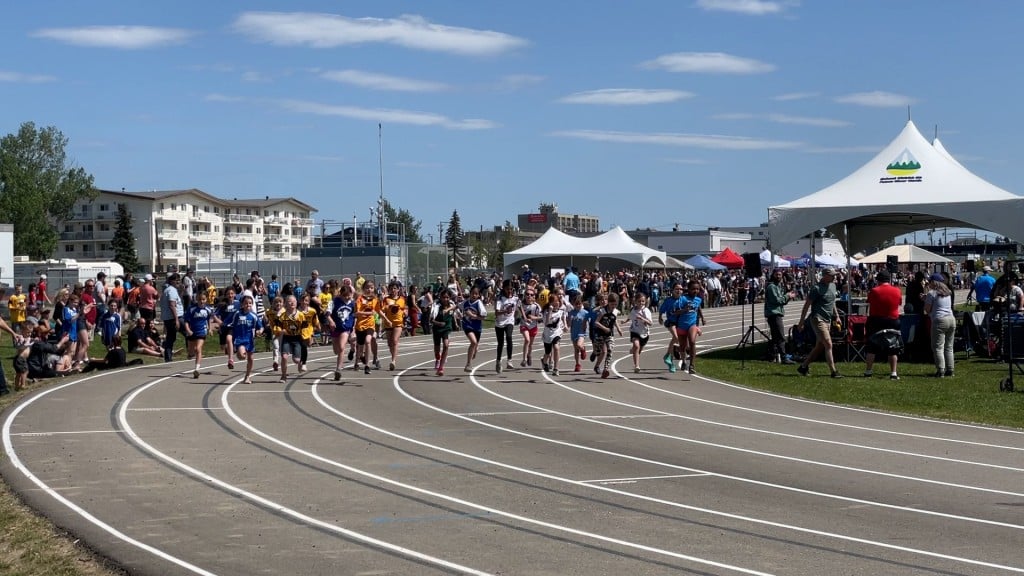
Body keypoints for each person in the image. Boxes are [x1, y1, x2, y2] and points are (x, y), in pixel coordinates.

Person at [796, 268, 842, 378]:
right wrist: (801, 322)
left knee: (820, 346)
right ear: (825, 275)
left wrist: (837, 316)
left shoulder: (833, 286)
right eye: (832, 275)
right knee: (828, 343)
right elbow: (806, 306)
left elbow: (832, 302)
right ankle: (833, 371)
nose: (834, 277)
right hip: (818, 319)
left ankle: (803, 367)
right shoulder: (816, 289)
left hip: (828, 320)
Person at [863, 269, 902, 380]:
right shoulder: (897, 290)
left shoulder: (874, 291)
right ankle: (893, 372)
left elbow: (869, 302)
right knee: (893, 347)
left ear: (878, 280)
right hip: (893, 320)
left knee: (871, 347)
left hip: (876, 320)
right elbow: (899, 303)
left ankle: (868, 371)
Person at [923, 273, 955, 378]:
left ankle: (940, 369)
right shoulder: (948, 293)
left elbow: (927, 310)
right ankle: (950, 369)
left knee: (937, 347)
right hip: (951, 319)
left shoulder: (931, 293)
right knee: (949, 347)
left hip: (939, 320)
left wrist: (925, 299)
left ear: (933, 282)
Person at [225, 295, 263, 384]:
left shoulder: (253, 316)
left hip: (250, 340)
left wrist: (259, 331)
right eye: (246, 303)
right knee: (242, 356)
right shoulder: (237, 314)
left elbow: (260, 326)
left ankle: (247, 376)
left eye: (250, 303)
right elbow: (231, 323)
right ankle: (237, 354)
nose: (248, 305)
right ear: (242, 304)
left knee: (251, 358)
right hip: (240, 339)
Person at [764, 270, 797, 364]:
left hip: (777, 313)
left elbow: (783, 302)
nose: (779, 276)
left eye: (780, 275)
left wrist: (789, 295)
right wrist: (787, 295)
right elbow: (777, 300)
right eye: (777, 274)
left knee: (775, 337)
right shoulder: (771, 287)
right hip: (774, 314)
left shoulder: (778, 287)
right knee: (781, 337)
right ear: (773, 275)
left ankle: (772, 356)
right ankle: (783, 357)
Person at [183, 290, 218, 379]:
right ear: (196, 299)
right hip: (192, 332)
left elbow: (208, 319)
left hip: (201, 332)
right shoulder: (191, 309)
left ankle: (197, 369)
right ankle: (190, 354)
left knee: (198, 349)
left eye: (203, 299)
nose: (201, 301)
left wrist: (210, 329)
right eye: (199, 299)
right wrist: (188, 330)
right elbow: (186, 321)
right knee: (191, 351)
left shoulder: (208, 309)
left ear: (206, 299)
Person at [673, 280, 704, 375]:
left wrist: (702, 319)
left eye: (697, 289)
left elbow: (698, 308)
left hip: (692, 325)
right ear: (689, 289)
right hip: (681, 325)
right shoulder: (682, 299)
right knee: (683, 347)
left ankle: (692, 365)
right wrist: (684, 310)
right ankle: (683, 361)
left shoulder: (698, 299)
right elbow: (675, 312)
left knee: (692, 342)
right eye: (693, 289)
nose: (695, 291)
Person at [328, 284, 356, 380]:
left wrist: (354, 328)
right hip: (335, 328)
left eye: (349, 295)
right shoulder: (334, 301)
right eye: (345, 295)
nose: (347, 297)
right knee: (336, 350)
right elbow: (327, 314)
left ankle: (338, 369)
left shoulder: (353, 303)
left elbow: (355, 315)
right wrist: (331, 321)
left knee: (341, 347)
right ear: (341, 294)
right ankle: (339, 365)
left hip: (345, 328)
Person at [354, 280, 381, 375]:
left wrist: (386, 319)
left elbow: (378, 311)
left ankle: (367, 365)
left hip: (370, 325)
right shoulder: (360, 299)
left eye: (371, 288)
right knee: (360, 347)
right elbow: (357, 313)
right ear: (363, 289)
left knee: (368, 341)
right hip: (360, 325)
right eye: (367, 287)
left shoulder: (375, 300)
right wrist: (369, 313)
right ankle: (357, 362)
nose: (369, 289)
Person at [593, 293, 622, 378]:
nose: (613, 306)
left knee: (610, 349)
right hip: (600, 334)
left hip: (609, 334)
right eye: (612, 304)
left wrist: (618, 328)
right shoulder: (603, 311)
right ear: (608, 303)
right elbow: (596, 322)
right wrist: (604, 328)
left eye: (615, 304)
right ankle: (596, 361)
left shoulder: (616, 311)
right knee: (599, 352)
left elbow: (614, 320)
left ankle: (606, 369)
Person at [493, 279, 519, 373]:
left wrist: (515, 318)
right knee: (500, 343)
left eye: (511, 289)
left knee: (509, 337)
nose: (510, 291)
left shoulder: (515, 298)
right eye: (508, 289)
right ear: (503, 289)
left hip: (509, 321)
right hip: (499, 323)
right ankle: (498, 361)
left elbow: (516, 310)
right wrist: (505, 311)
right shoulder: (500, 299)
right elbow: (496, 313)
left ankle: (509, 360)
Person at [381, 282, 406, 371]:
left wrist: (404, 312)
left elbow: (404, 309)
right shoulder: (386, 299)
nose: (393, 290)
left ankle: (393, 361)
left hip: (398, 323)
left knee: (395, 341)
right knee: (389, 343)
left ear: (398, 289)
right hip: (388, 323)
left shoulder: (402, 299)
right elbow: (382, 309)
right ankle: (393, 356)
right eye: (391, 288)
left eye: (395, 288)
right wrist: (389, 306)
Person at [461, 286, 487, 372]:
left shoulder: (479, 303)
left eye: (476, 294)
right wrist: (448, 310)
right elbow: (457, 306)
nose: (474, 295)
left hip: (477, 328)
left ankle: (475, 350)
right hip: (467, 326)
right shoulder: (465, 303)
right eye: (472, 293)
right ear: (470, 294)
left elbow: (483, 316)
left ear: (479, 295)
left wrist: (474, 316)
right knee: (473, 342)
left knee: (475, 347)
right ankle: (468, 364)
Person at [430, 289, 456, 376]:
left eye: (447, 297)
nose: (445, 299)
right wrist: (439, 323)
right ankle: (438, 358)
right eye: (444, 297)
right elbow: (431, 320)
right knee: (437, 350)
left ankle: (441, 368)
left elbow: (456, 307)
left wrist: (455, 323)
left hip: (447, 328)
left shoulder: (451, 304)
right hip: (437, 329)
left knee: (446, 345)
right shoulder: (436, 306)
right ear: (440, 297)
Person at [540, 294, 567, 376]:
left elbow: (564, 318)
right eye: (554, 302)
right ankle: (544, 361)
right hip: (548, 334)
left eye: (558, 301)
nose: (556, 303)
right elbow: (547, 322)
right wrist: (550, 311)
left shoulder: (561, 311)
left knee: (556, 347)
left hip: (557, 332)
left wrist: (565, 325)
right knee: (547, 353)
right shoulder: (546, 311)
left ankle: (556, 368)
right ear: (550, 303)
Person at [627, 292, 652, 373]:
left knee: (638, 350)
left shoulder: (646, 311)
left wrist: (642, 318)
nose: (641, 303)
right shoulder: (633, 310)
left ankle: (633, 350)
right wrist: (624, 321)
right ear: (635, 302)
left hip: (644, 333)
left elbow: (650, 323)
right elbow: (630, 317)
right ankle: (637, 366)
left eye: (642, 301)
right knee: (636, 346)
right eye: (639, 301)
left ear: (645, 302)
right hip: (634, 331)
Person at [518, 289, 542, 369]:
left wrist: (533, 317)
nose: (529, 296)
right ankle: (524, 359)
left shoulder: (536, 306)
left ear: (534, 297)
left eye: (531, 295)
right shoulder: (521, 304)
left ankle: (529, 355)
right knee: (527, 340)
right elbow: (518, 311)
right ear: (525, 295)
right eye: (527, 294)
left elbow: (541, 317)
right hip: (524, 325)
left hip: (533, 326)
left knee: (530, 344)